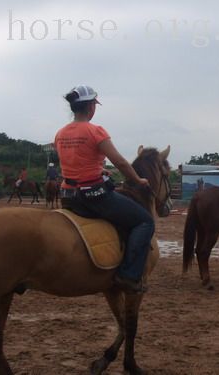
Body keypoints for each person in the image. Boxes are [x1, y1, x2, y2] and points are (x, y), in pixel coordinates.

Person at [54, 85, 154, 293]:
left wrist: (101, 172)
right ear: (91, 107)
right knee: (144, 221)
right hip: (93, 196)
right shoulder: (95, 131)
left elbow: (75, 162)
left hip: (67, 196)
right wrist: (137, 180)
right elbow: (120, 162)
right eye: (94, 105)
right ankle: (129, 275)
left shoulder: (60, 134)